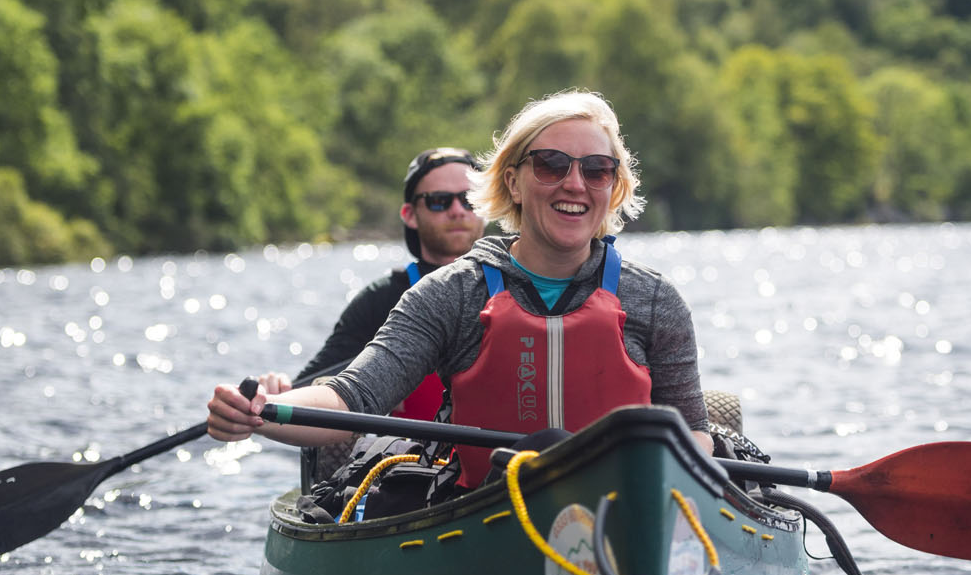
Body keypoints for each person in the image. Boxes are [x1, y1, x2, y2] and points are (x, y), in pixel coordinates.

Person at [209, 90, 711, 486]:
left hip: (624, 512)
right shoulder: (452, 294)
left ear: (613, 188)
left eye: (597, 170)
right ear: (513, 183)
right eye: (552, 165)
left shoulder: (653, 299)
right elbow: (350, 401)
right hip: (486, 513)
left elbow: (694, 435)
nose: (575, 184)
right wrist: (259, 414)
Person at [249, 147, 483, 423]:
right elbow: (312, 386)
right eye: (439, 201)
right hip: (416, 459)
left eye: (469, 199)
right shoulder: (382, 299)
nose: (457, 211)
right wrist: (276, 394)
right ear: (409, 214)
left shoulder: (520, 283)